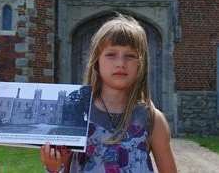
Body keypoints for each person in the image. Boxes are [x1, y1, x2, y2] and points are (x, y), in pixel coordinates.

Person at [40, 14, 177, 173]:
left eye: (130, 56)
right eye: (111, 55)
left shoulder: (152, 119)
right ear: (96, 61)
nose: (120, 63)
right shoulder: (77, 114)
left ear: (140, 64)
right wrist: (53, 166)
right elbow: (62, 167)